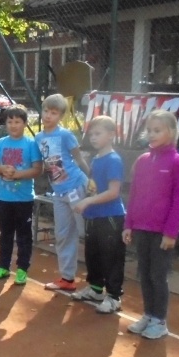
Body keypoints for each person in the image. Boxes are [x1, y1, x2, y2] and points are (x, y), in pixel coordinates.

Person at [122, 109, 179, 339]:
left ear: (171, 132)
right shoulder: (142, 161)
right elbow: (134, 193)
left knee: (157, 276)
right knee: (144, 273)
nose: (151, 134)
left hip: (162, 232)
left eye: (157, 130)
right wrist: (128, 224)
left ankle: (160, 321)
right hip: (141, 228)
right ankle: (149, 315)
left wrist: (171, 232)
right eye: (149, 130)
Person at [35, 93, 90, 291]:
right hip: (58, 193)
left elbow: (79, 159)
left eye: (54, 112)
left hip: (76, 187)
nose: (48, 115)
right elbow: (41, 165)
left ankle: (97, 281)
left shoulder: (66, 135)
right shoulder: (39, 137)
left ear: (61, 116)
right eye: (46, 111)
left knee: (86, 232)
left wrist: (92, 178)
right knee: (63, 234)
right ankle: (67, 278)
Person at [71, 116, 126, 313]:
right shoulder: (96, 159)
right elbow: (94, 186)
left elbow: (113, 192)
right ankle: (95, 289)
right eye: (91, 134)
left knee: (111, 257)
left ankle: (113, 296)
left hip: (110, 217)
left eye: (98, 133)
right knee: (92, 254)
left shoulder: (113, 160)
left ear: (111, 135)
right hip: (94, 216)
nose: (93, 138)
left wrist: (87, 201)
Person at [0, 105, 42, 285]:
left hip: (24, 199)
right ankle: (3, 267)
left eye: (17, 121)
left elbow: (37, 170)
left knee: (24, 235)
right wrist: (2, 168)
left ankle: (22, 269)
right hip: (3, 198)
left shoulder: (31, 144)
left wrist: (17, 174)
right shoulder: (0, 143)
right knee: (5, 234)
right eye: (10, 121)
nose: (13, 125)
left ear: (25, 123)